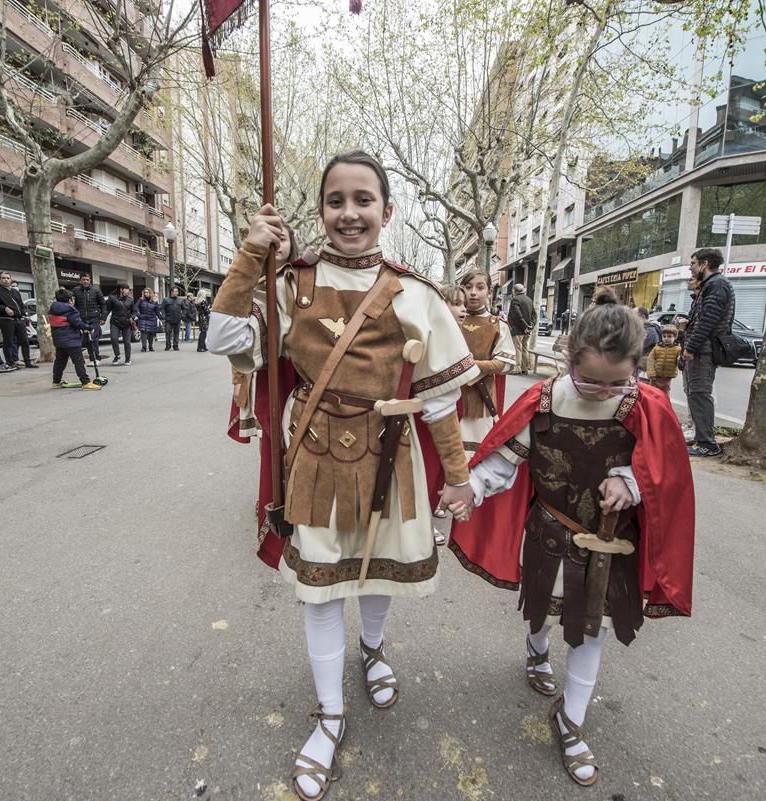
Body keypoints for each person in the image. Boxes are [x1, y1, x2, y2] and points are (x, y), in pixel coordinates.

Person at [206, 151, 479, 801]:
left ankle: (375, 649)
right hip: (318, 452)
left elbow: (442, 399)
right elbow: (222, 336)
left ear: (387, 211)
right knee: (322, 590)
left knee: (377, 570)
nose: (349, 213)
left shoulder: (416, 292)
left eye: (363, 200)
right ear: (321, 209)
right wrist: (250, 254)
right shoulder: (289, 282)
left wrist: (461, 476)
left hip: (393, 459)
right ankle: (330, 714)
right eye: (335, 200)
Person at [450, 291, 694, 789]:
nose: (603, 391)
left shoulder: (648, 405)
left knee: (591, 627)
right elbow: (504, 459)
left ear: (636, 367)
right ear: (568, 360)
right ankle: (536, 650)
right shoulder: (544, 399)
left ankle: (571, 721)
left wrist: (629, 479)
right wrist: (471, 489)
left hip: (613, 544)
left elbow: (666, 473)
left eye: (616, 382)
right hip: (550, 531)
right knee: (542, 606)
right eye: (590, 380)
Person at [457, 268, 516, 458]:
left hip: (481, 401)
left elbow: (505, 363)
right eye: (468, 287)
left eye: (480, 287)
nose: (473, 292)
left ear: (489, 292)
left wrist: (471, 365)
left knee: (474, 457)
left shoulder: (497, 324)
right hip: (449, 398)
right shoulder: (449, 321)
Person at [682, 248, 734, 457]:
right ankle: (701, 437)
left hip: (703, 351)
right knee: (695, 393)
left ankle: (707, 443)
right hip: (701, 349)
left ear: (705, 264)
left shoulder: (717, 285)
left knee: (700, 393)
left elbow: (707, 321)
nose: (691, 268)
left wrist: (691, 347)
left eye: (693, 263)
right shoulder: (710, 286)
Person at [48, 289, 100, 389]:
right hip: (71, 341)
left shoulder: (52, 309)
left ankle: (56, 381)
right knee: (79, 362)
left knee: (60, 362)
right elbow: (77, 323)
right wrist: (89, 327)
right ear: (70, 300)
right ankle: (85, 382)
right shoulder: (70, 310)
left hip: (59, 341)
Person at [0, 271, 37, 369]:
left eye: (7, 278)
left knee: (24, 341)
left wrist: (23, 315)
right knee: (9, 341)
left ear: (10, 279)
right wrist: (4, 309)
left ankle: (27, 361)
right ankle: (10, 362)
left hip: (19, 319)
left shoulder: (15, 291)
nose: (6, 280)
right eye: (3, 278)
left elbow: (20, 304)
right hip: (6, 319)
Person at [72, 274, 105, 362]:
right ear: (80, 281)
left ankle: (96, 358)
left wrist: (103, 317)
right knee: (86, 341)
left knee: (94, 338)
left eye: (87, 279)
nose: (85, 281)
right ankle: (92, 357)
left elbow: (103, 304)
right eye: (83, 279)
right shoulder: (75, 290)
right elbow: (73, 305)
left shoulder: (96, 290)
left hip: (94, 319)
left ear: (90, 280)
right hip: (82, 320)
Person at [508, 282, 536, 375]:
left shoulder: (515, 300)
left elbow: (517, 315)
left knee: (518, 348)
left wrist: (524, 326)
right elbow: (534, 315)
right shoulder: (529, 300)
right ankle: (525, 368)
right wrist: (530, 326)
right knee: (524, 348)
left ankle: (517, 368)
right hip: (527, 330)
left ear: (515, 291)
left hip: (517, 329)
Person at [105, 283, 137, 365]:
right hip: (115, 322)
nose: (128, 290)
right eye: (127, 289)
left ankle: (127, 359)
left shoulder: (130, 300)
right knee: (114, 338)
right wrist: (103, 318)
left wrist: (132, 317)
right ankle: (117, 356)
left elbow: (134, 311)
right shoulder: (112, 298)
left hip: (126, 322)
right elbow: (107, 309)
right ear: (121, 289)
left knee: (126, 341)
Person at [645, 324, 682, 393]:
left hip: (667, 377)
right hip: (655, 376)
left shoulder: (678, 349)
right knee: (652, 392)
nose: (666, 338)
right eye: (664, 336)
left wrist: (680, 359)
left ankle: (664, 404)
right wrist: (651, 373)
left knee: (665, 393)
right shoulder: (657, 348)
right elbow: (650, 360)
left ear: (675, 337)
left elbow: (680, 361)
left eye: (669, 336)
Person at [135, 288, 162, 352]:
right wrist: (138, 314)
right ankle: (144, 347)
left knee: (151, 333)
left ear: (150, 293)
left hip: (152, 319)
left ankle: (150, 346)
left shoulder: (154, 301)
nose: (145, 294)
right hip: (143, 318)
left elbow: (157, 310)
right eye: (145, 292)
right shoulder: (141, 300)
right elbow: (136, 307)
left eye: (147, 292)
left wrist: (161, 318)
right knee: (143, 333)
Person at [638, 307, 660, 373]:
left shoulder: (650, 331)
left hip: (642, 363)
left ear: (642, 317)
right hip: (639, 361)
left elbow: (637, 346)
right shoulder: (644, 328)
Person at [162, 286, 184, 351]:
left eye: (177, 291)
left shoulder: (180, 300)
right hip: (168, 319)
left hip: (177, 319)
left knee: (176, 332)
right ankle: (168, 345)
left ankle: (175, 345)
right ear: (171, 292)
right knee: (168, 332)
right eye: (175, 291)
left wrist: (182, 315)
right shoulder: (166, 300)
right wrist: (164, 316)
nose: (177, 293)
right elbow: (162, 308)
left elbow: (184, 308)